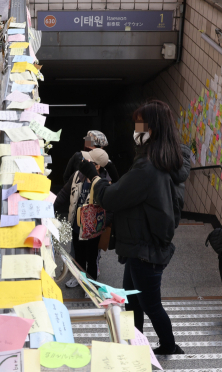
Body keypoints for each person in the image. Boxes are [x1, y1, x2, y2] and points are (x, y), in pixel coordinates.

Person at [77, 100, 188, 355]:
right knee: (132, 300)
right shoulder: (168, 161)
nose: (136, 130)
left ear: (153, 129)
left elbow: (112, 196)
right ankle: (132, 346)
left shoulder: (148, 168)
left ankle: (169, 347)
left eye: (140, 125)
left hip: (144, 249)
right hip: (145, 245)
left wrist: (94, 177)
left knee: (150, 305)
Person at [54, 148, 112, 291]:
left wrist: (105, 225)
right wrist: (51, 206)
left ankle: (91, 285)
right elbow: (63, 194)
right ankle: (78, 278)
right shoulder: (77, 176)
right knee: (78, 256)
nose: (83, 161)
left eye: (88, 161)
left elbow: (110, 208)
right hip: (77, 225)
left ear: (97, 166)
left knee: (91, 258)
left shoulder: (105, 183)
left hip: (93, 231)